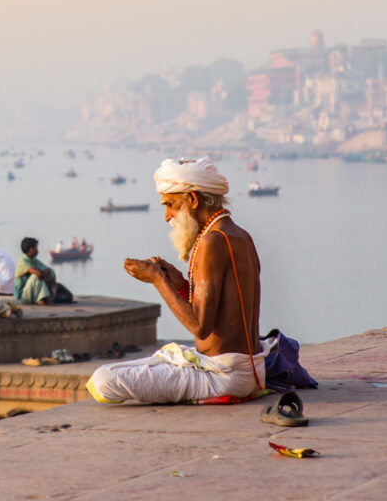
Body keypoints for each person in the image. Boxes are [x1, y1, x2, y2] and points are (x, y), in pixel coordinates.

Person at [88, 157, 268, 405]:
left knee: (104, 380)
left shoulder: (211, 242)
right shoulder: (240, 235)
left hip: (224, 376)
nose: (166, 216)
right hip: (249, 369)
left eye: (170, 205)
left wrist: (157, 279)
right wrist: (180, 284)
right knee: (144, 364)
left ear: (193, 200)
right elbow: (220, 313)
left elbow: (200, 327)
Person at [14, 237, 57, 305]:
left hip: (32, 295)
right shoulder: (23, 262)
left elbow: (52, 272)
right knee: (36, 276)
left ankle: (44, 298)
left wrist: (45, 273)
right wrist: (42, 273)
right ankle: (43, 299)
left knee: (46, 278)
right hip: (23, 297)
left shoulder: (35, 261)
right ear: (31, 250)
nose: (38, 250)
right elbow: (37, 273)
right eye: (36, 248)